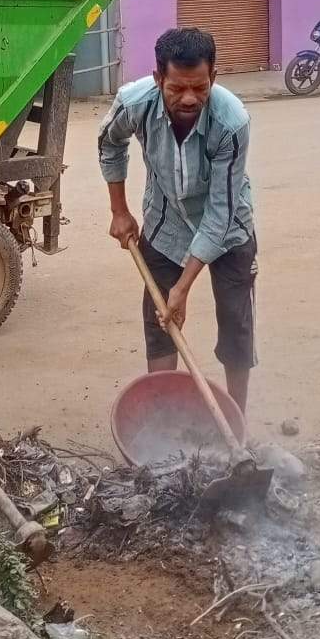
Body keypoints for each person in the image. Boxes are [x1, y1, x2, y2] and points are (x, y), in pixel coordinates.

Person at [99, 27, 257, 412]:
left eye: (200, 88)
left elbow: (220, 213)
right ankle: (160, 422)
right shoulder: (134, 102)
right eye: (176, 88)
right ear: (158, 79)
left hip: (230, 232)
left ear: (214, 77)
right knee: (160, 322)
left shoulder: (231, 121)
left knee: (237, 326)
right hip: (164, 222)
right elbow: (109, 142)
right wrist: (119, 210)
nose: (189, 99)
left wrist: (183, 286)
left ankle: (236, 422)